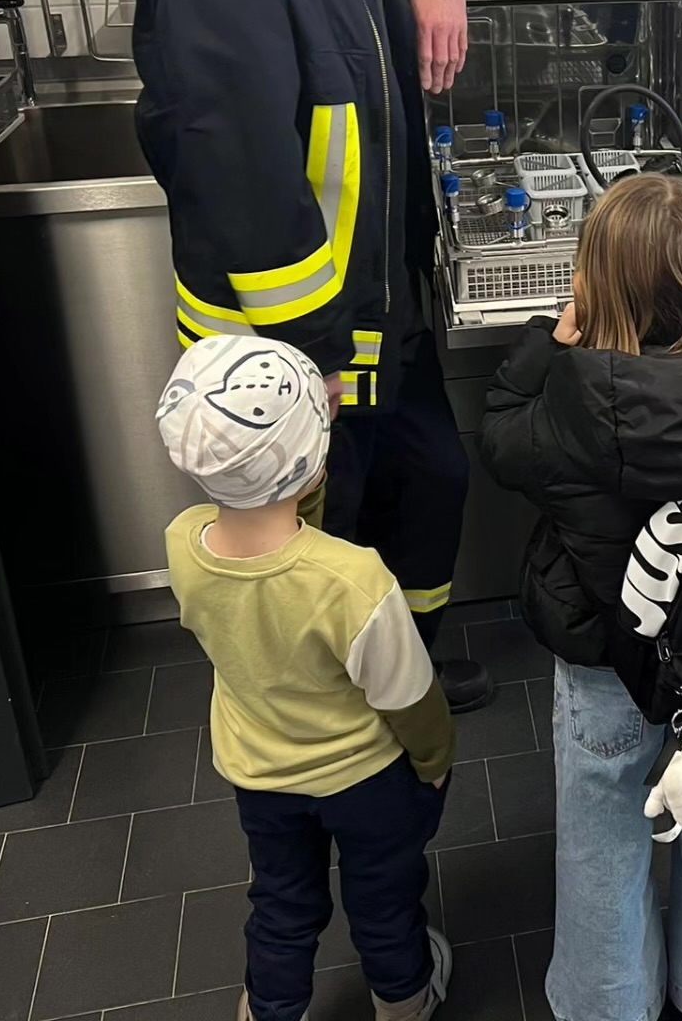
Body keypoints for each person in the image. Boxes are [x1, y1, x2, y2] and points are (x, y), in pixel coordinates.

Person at [133, 0, 491, 712]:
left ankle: (408, 676)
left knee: (430, 483)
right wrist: (317, 360)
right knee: (327, 536)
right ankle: (339, 716)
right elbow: (243, 188)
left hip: (379, 306)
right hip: (298, 343)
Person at [480, 175, 682, 1021]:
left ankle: (608, 1005)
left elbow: (499, 436)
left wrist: (548, 341)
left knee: (603, 848)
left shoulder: (563, 401)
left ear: (594, 285)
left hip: (607, 662)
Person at [155, 335, 458, 1021]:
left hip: (261, 776)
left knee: (282, 902)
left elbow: (276, 549)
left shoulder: (183, 542)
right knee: (382, 899)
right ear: (313, 465)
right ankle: (405, 1001)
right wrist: (436, 762)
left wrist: (302, 455)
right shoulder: (355, 582)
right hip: (365, 779)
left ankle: (269, 1009)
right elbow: (410, 699)